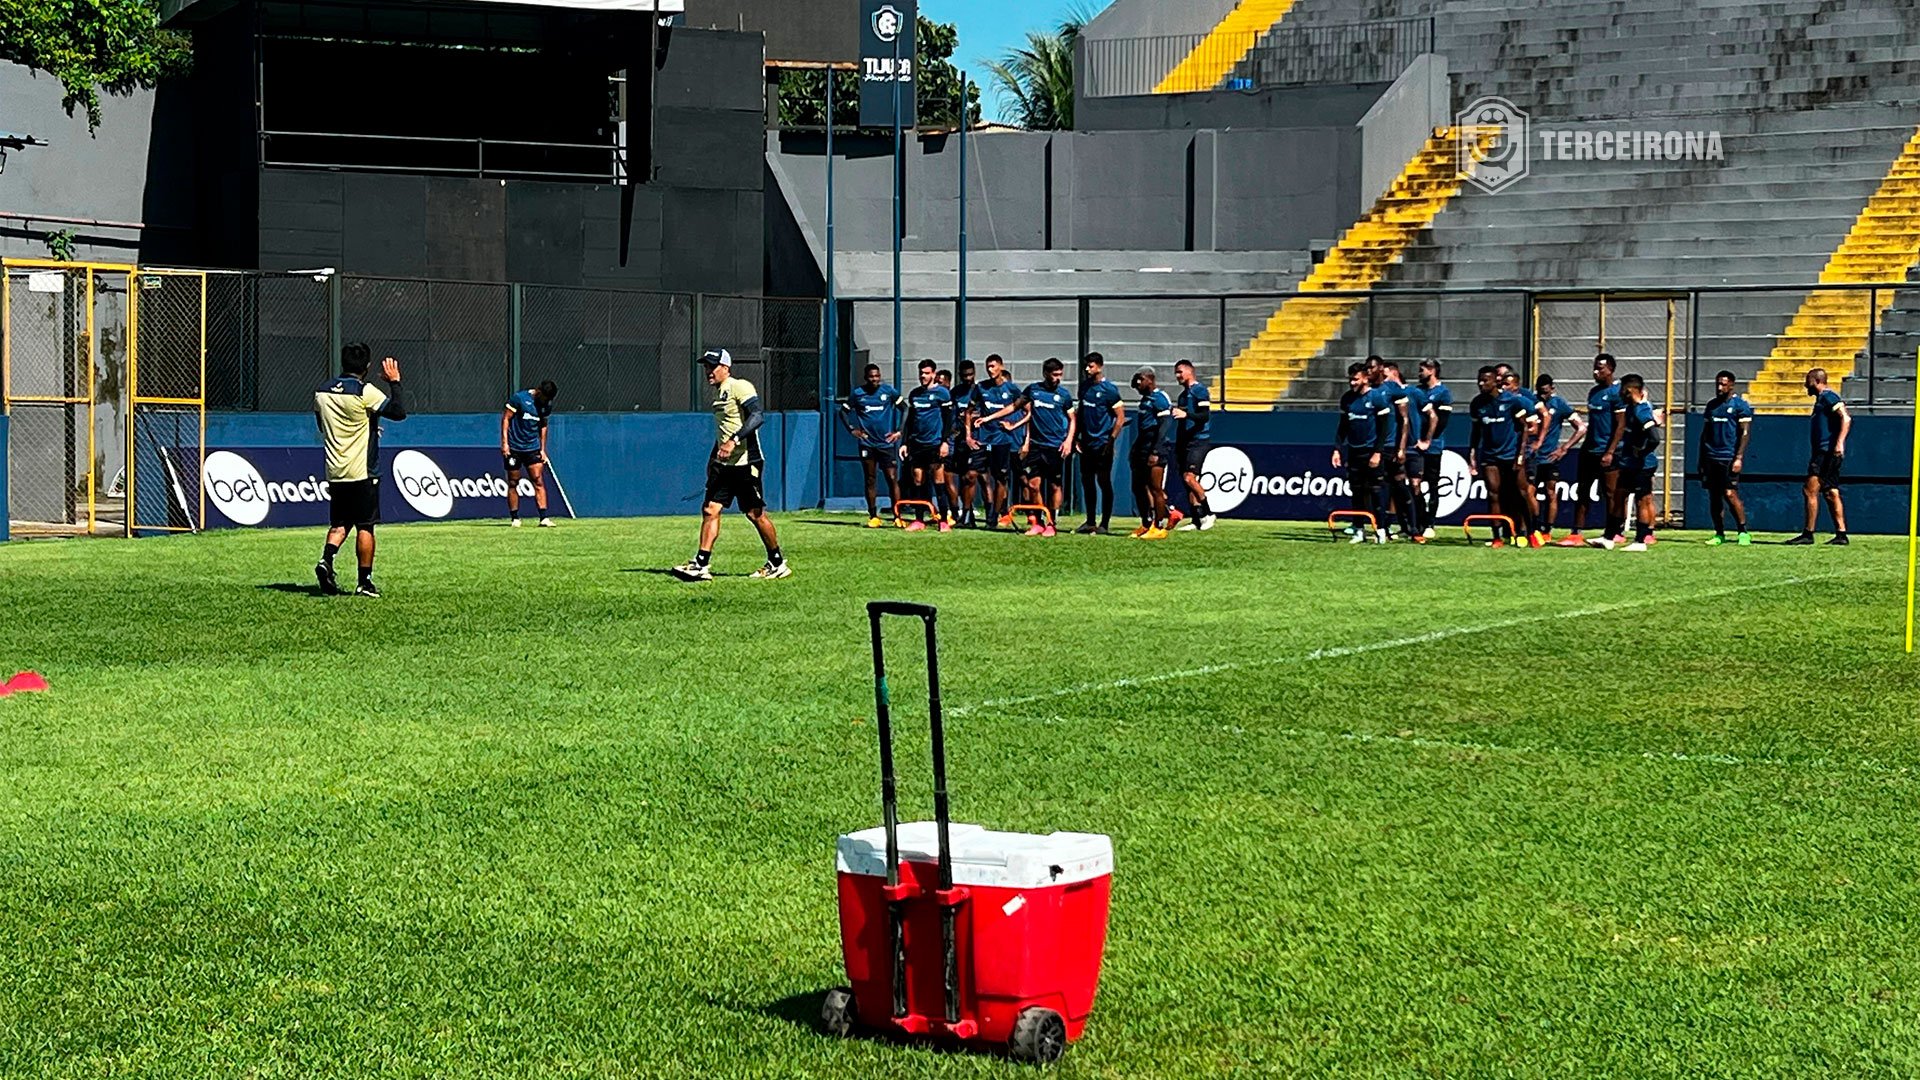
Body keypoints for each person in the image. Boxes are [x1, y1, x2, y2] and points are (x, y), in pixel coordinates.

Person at [673, 349, 789, 581]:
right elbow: (723, 432)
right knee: (710, 509)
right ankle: (700, 564)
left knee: (755, 514)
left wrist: (734, 440)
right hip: (725, 465)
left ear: (726, 367)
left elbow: (757, 416)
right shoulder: (719, 394)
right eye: (706, 366)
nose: (708, 371)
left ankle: (777, 563)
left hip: (747, 462)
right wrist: (713, 457)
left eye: (712, 366)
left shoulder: (739, 386)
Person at [314, 343, 406, 597]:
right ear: (366, 367)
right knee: (365, 526)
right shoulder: (364, 392)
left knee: (339, 524)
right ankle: (364, 582)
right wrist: (395, 382)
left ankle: (326, 561)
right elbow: (398, 412)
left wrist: (368, 426)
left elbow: (323, 426)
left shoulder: (322, 392)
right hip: (363, 471)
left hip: (335, 469)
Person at [981, 357, 1077, 536]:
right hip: (1036, 446)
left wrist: (1069, 440)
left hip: (1056, 446)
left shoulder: (1063, 395)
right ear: (1046, 374)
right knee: (1033, 485)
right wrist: (989, 418)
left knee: (1055, 485)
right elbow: (1013, 407)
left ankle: (1052, 523)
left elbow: (1073, 419)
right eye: (1055, 374)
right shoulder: (1033, 390)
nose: (1058, 378)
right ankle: (1039, 521)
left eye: (1060, 375)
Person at [1468, 364, 1534, 547]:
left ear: (1496, 381)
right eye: (1479, 380)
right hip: (1490, 456)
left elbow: (1524, 429)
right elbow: (1476, 431)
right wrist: (1472, 452)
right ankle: (1497, 536)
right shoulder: (1477, 403)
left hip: (1511, 454)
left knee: (1520, 493)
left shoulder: (1512, 402)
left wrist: (1520, 455)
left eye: (1485, 380)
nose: (1481, 384)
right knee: (1493, 494)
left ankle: (1529, 531)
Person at [1596, 373, 1662, 552]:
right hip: (1629, 463)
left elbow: (1655, 438)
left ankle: (1640, 541)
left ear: (1630, 390)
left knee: (1642, 500)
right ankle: (1609, 537)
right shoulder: (1632, 407)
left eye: (1624, 389)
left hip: (1642, 464)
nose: (1620, 393)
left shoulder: (1641, 411)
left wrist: (1642, 452)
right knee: (1619, 496)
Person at [1566, 353, 1627, 546]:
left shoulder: (1617, 394)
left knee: (1609, 492)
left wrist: (1610, 451)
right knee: (1582, 491)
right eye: (1594, 367)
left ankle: (1614, 531)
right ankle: (1576, 533)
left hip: (1607, 451)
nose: (1595, 372)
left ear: (1610, 370)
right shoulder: (1593, 392)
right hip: (1589, 450)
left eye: (1600, 368)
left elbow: (1620, 425)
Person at [1789, 367, 1852, 545]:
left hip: (1826, 452)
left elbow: (1845, 418)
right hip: (1824, 451)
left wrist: (1839, 442)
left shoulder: (1828, 397)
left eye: (1807, 381)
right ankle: (1841, 534)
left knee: (1810, 490)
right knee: (1831, 491)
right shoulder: (1820, 401)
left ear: (1816, 381)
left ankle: (1808, 533)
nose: (1805, 385)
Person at [1332, 362, 1390, 544]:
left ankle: (1380, 529)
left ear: (1365, 378)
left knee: (1375, 491)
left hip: (1371, 451)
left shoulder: (1377, 398)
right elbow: (1343, 427)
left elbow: (1384, 429)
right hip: (1354, 452)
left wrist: (1377, 452)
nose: (1352, 383)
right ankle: (1359, 529)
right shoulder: (1347, 399)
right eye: (1350, 379)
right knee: (1356, 491)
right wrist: (1337, 449)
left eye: (1356, 379)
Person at [842, 364, 903, 528]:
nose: (874, 379)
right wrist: (852, 429)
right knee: (870, 479)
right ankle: (874, 516)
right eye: (871, 376)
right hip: (867, 443)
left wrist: (899, 431)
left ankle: (897, 515)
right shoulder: (858, 394)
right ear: (866, 377)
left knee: (891, 478)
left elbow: (905, 408)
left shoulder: (888, 392)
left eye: (877, 376)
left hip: (886, 443)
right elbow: (843, 411)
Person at [1699, 370, 1754, 546]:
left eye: (1723, 384)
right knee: (1714, 496)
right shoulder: (1711, 406)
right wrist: (1701, 459)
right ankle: (1719, 533)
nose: (1719, 387)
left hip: (1728, 456)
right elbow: (1705, 433)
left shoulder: (1740, 406)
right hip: (1711, 456)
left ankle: (1743, 531)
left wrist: (1738, 457)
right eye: (1718, 384)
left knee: (1730, 493)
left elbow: (1745, 433)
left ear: (1731, 385)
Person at [900, 359, 955, 532]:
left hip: (934, 443)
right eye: (921, 373)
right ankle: (918, 520)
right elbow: (910, 421)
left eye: (926, 373)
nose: (923, 376)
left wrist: (945, 442)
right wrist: (905, 443)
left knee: (938, 480)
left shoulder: (942, 394)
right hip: (917, 444)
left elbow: (948, 420)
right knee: (918, 479)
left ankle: (944, 520)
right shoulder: (915, 394)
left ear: (933, 374)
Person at [1075, 352, 1126, 534]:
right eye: (1086, 365)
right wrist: (1077, 438)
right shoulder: (1084, 388)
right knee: (1087, 481)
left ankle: (1104, 523)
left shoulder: (1109, 390)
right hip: (1086, 443)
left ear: (1100, 366)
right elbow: (1081, 413)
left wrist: (1111, 440)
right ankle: (1090, 521)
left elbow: (1120, 417)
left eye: (1091, 365)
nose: (1088, 369)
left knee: (1103, 481)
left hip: (1102, 443)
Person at [972, 355, 1025, 528]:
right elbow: (968, 410)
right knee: (974, 475)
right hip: (982, 439)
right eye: (988, 367)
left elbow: (1029, 411)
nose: (990, 370)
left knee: (1001, 478)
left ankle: (996, 515)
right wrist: (968, 433)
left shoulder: (1012, 389)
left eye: (993, 366)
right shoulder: (981, 387)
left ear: (1001, 367)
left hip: (1003, 440)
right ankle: (975, 514)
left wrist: (1015, 425)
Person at [1529, 374, 1583, 539]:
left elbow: (1581, 428)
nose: (1544, 395)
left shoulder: (1559, 404)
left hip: (1550, 457)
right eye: (1541, 391)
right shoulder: (1530, 402)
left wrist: (1564, 448)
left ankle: (1547, 530)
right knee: (1530, 492)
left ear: (1552, 388)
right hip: (1532, 456)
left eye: (1546, 391)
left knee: (1551, 492)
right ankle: (1533, 527)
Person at [501, 380, 559, 528]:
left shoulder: (546, 406)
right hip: (515, 447)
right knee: (513, 482)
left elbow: (543, 426)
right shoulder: (519, 399)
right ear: (539, 391)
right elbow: (506, 419)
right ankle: (515, 518)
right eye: (545, 397)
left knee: (538, 480)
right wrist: (505, 443)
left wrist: (542, 449)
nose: (546, 401)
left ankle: (544, 518)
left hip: (532, 448)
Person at [1129, 366, 1176, 539]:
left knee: (1156, 488)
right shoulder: (1145, 399)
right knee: (1138, 486)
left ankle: (1158, 526)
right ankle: (1146, 523)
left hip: (1156, 446)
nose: (1139, 384)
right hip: (1142, 445)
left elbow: (1164, 425)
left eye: (1141, 380)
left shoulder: (1160, 398)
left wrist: (1155, 450)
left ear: (1150, 379)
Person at [1170, 359, 1217, 530]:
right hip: (1185, 442)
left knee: (1189, 477)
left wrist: (1186, 414)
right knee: (1187, 482)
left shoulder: (1200, 391)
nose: (1177, 376)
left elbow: (1204, 416)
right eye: (1176, 372)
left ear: (1190, 371)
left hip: (1199, 440)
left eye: (1180, 372)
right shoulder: (1183, 395)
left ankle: (1209, 513)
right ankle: (1196, 520)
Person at [1398, 361, 1435, 544]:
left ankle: (1423, 522)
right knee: (1398, 486)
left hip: (1414, 449)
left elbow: (1433, 417)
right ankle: (1405, 526)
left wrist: (1426, 440)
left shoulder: (1414, 393)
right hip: (1397, 449)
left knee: (1415, 486)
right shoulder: (1385, 393)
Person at [1417, 359, 1453, 535]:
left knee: (1432, 485)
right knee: (1414, 483)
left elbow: (1442, 422)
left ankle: (1430, 523)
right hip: (1416, 446)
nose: (1419, 373)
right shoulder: (1418, 391)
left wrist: (1428, 440)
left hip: (1433, 446)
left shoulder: (1443, 393)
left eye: (1422, 370)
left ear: (1432, 370)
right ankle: (1418, 521)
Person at [949, 359, 981, 527]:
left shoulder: (980, 391)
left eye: (971, 374)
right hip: (960, 440)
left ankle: (991, 515)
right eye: (965, 375)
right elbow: (953, 415)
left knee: (974, 476)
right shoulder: (955, 393)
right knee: (963, 477)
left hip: (978, 440)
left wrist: (973, 417)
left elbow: (985, 412)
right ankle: (966, 513)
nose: (968, 378)